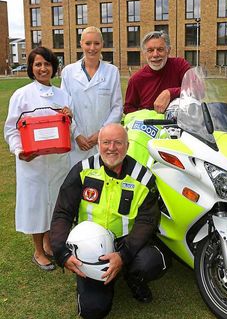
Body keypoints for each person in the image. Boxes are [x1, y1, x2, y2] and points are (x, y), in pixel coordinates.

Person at [50, 123, 168, 319]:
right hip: (91, 248)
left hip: (127, 242)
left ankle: (131, 276)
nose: (111, 148)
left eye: (118, 143)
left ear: (127, 146)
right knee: (94, 311)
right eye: (106, 142)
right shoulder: (82, 171)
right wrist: (61, 253)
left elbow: (147, 220)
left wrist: (123, 255)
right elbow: (63, 212)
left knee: (152, 261)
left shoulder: (143, 177)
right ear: (98, 144)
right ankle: (96, 276)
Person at [4, 47, 73, 271]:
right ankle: (38, 251)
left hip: (57, 163)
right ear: (31, 68)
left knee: (54, 203)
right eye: (38, 64)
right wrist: (19, 151)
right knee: (35, 205)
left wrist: (69, 117)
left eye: (47, 64)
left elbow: (68, 129)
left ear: (54, 67)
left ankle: (49, 242)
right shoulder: (21, 95)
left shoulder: (63, 95)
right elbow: (11, 129)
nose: (43, 68)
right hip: (32, 162)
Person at [61, 26, 123, 166]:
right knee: (78, 181)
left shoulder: (112, 71)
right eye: (88, 43)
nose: (92, 48)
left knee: (102, 182)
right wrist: (76, 134)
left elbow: (117, 108)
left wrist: (101, 134)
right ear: (81, 44)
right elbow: (64, 108)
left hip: (104, 142)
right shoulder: (68, 72)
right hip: (77, 143)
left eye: (96, 43)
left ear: (102, 44)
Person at [124, 30, 190, 114]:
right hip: (149, 125)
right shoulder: (136, 79)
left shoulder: (180, 65)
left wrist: (169, 93)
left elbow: (198, 89)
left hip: (180, 123)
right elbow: (128, 108)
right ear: (144, 53)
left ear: (168, 50)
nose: (155, 55)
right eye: (150, 50)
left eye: (160, 49)